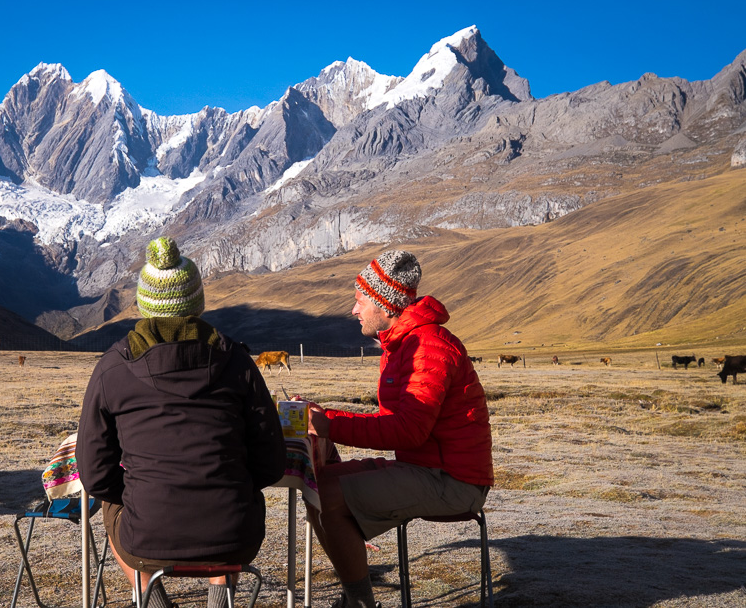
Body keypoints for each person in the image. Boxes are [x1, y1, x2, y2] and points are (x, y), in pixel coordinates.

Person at [77, 237, 286, 608]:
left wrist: (140, 491)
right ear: (197, 303)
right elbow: (271, 462)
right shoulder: (238, 363)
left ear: (144, 304)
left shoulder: (112, 367)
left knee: (113, 505)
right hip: (235, 537)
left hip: (146, 540)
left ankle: (151, 598)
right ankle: (219, 599)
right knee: (230, 496)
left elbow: (94, 474)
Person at [305, 249, 494, 608]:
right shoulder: (404, 343)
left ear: (385, 304)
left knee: (327, 497)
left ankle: (359, 603)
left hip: (454, 481)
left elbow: (409, 430)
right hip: (426, 468)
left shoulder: (428, 346)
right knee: (318, 486)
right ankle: (355, 597)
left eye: (360, 300)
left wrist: (328, 423)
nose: (353, 309)